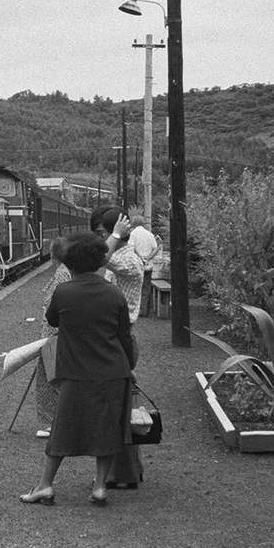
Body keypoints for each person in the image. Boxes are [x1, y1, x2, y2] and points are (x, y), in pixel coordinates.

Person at [19, 232, 136, 508]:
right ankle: (99, 488)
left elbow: (52, 320)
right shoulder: (114, 292)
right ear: (99, 263)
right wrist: (129, 368)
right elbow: (124, 337)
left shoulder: (64, 292)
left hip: (76, 371)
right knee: (108, 429)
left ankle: (45, 486)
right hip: (112, 371)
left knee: (62, 429)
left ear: (70, 264)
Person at [89, 205, 146, 489]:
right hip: (116, 338)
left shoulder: (129, 261)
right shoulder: (122, 256)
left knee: (117, 409)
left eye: (103, 233)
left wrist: (115, 233)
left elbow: (96, 258)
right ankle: (127, 470)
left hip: (122, 340)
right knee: (117, 406)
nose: (100, 239)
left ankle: (123, 473)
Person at [33, 237, 71, 438]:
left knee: (52, 379)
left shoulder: (62, 276)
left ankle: (54, 423)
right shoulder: (63, 272)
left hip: (55, 336)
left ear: (52, 255)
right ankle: (56, 421)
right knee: (50, 378)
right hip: (52, 335)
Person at [127, 216, 159, 316]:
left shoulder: (132, 234)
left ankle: (136, 310)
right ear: (143, 224)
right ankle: (145, 311)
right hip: (148, 266)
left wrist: (140, 257)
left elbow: (132, 248)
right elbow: (155, 249)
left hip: (136, 265)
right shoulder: (149, 234)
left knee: (135, 287)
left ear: (133, 223)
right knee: (146, 287)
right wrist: (147, 258)